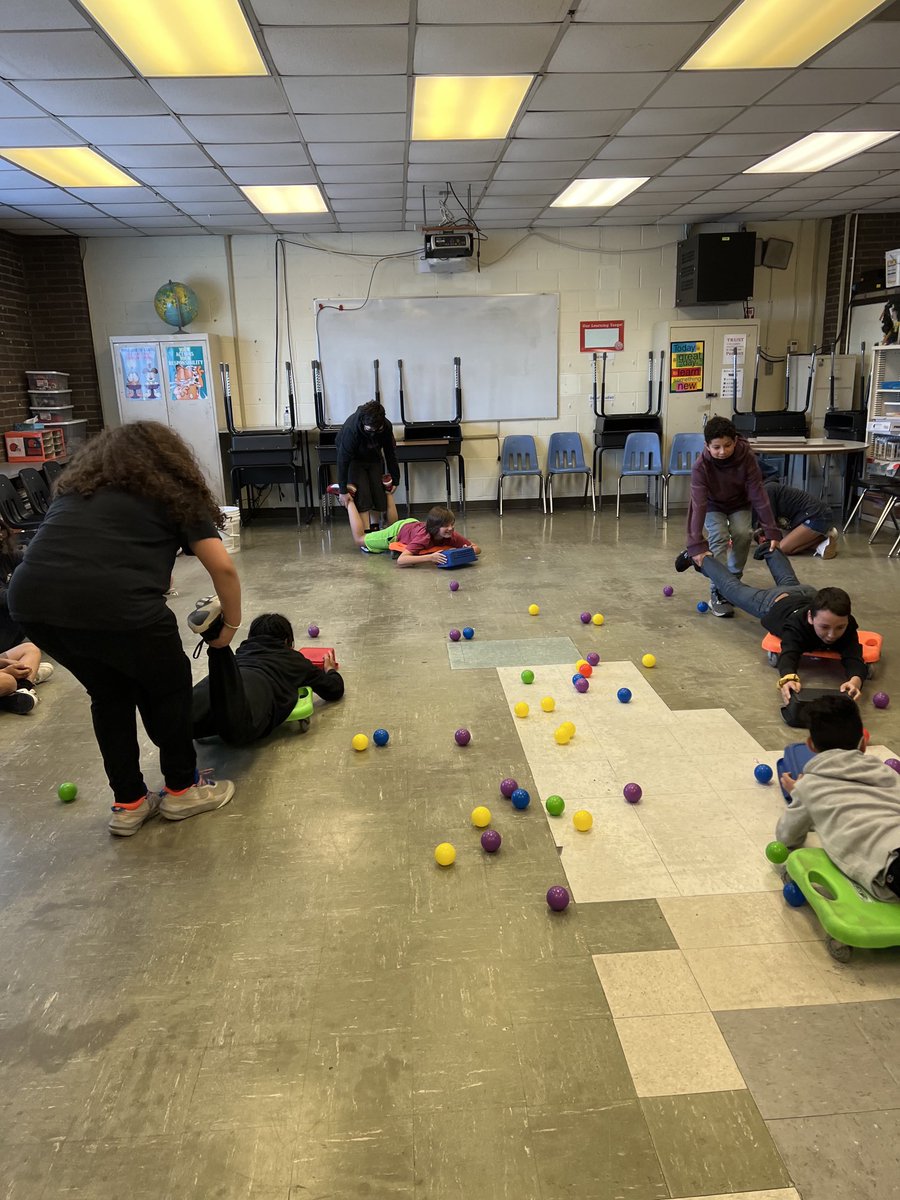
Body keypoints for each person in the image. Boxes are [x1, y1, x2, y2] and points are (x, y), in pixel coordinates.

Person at [8, 421, 241, 837]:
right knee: (169, 689)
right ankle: (182, 789)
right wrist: (232, 625)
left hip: (33, 604)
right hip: (119, 607)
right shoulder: (172, 494)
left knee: (109, 693)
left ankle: (129, 802)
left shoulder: (76, 490)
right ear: (170, 460)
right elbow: (222, 566)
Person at [674, 546, 866, 706]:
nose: (832, 635)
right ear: (810, 617)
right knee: (733, 589)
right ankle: (699, 557)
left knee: (789, 582)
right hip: (774, 602)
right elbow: (790, 652)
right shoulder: (797, 626)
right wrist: (789, 678)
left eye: (839, 627)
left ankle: (769, 546)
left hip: (805, 594)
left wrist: (855, 680)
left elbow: (854, 655)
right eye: (824, 627)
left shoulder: (845, 624)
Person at [777, 695, 900, 902]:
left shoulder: (809, 787)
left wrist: (799, 793)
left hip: (888, 865)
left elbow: (787, 837)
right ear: (863, 743)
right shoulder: (886, 773)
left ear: (811, 745)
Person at [191, 612, 344, 745]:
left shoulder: (241, 654)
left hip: (212, 687)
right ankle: (217, 644)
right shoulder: (293, 660)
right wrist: (329, 669)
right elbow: (335, 689)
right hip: (252, 698)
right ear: (286, 641)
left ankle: (216, 643)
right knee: (235, 717)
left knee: (182, 713)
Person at [686, 415, 781, 617]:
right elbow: (698, 504)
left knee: (743, 534)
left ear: (735, 441)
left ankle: (733, 583)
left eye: (727, 445)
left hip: (739, 503)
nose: (722, 451)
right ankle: (718, 591)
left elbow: (758, 494)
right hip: (713, 505)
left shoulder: (747, 458)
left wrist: (771, 530)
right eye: (717, 447)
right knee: (718, 537)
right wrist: (695, 543)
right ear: (707, 446)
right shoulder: (700, 467)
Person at [0, 525, 53, 714]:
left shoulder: (9, 556)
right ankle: (23, 683)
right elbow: (7, 598)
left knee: (30, 649)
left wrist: (7, 665)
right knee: (6, 680)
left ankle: (22, 689)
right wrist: (7, 672)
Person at [343, 497, 479, 566]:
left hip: (413, 525)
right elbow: (402, 560)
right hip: (400, 529)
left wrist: (467, 551)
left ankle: (388, 491)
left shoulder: (451, 534)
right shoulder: (423, 538)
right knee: (360, 539)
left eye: (452, 524)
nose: (450, 528)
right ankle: (349, 501)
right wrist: (430, 558)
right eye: (446, 526)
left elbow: (477, 548)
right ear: (435, 527)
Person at [332, 400, 401, 531]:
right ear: (364, 422)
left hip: (373, 456)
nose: (373, 432)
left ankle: (375, 527)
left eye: (377, 429)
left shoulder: (386, 426)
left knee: (378, 492)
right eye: (370, 429)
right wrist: (343, 490)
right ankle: (366, 531)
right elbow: (342, 460)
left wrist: (396, 479)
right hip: (354, 459)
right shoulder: (351, 430)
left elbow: (390, 453)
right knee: (363, 494)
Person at [756, 481, 838, 558]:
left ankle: (824, 537)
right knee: (786, 542)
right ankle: (823, 542)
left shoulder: (766, 492)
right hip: (808, 516)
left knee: (781, 548)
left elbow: (770, 526)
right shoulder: (764, 492)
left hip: (817, 515)